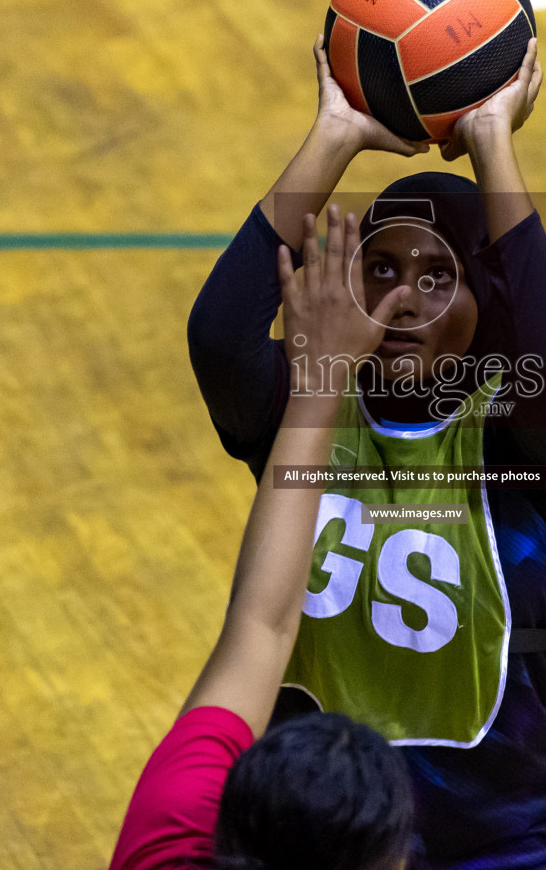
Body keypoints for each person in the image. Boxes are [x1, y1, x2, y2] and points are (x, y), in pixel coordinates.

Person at [186, 35, 546, 870]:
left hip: (500, 844)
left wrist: (493, 142)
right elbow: (219, 336)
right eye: (378, 269)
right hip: (317, 842)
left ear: (487, 304)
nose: (402, 297)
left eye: (436, 276)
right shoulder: (306, 410)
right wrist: (335, 134)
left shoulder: (516, 436)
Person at [111, 207, 417, 870]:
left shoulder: (172, 838)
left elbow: (262, 624)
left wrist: (318, 385)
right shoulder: (168, 837)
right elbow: (262, 623)